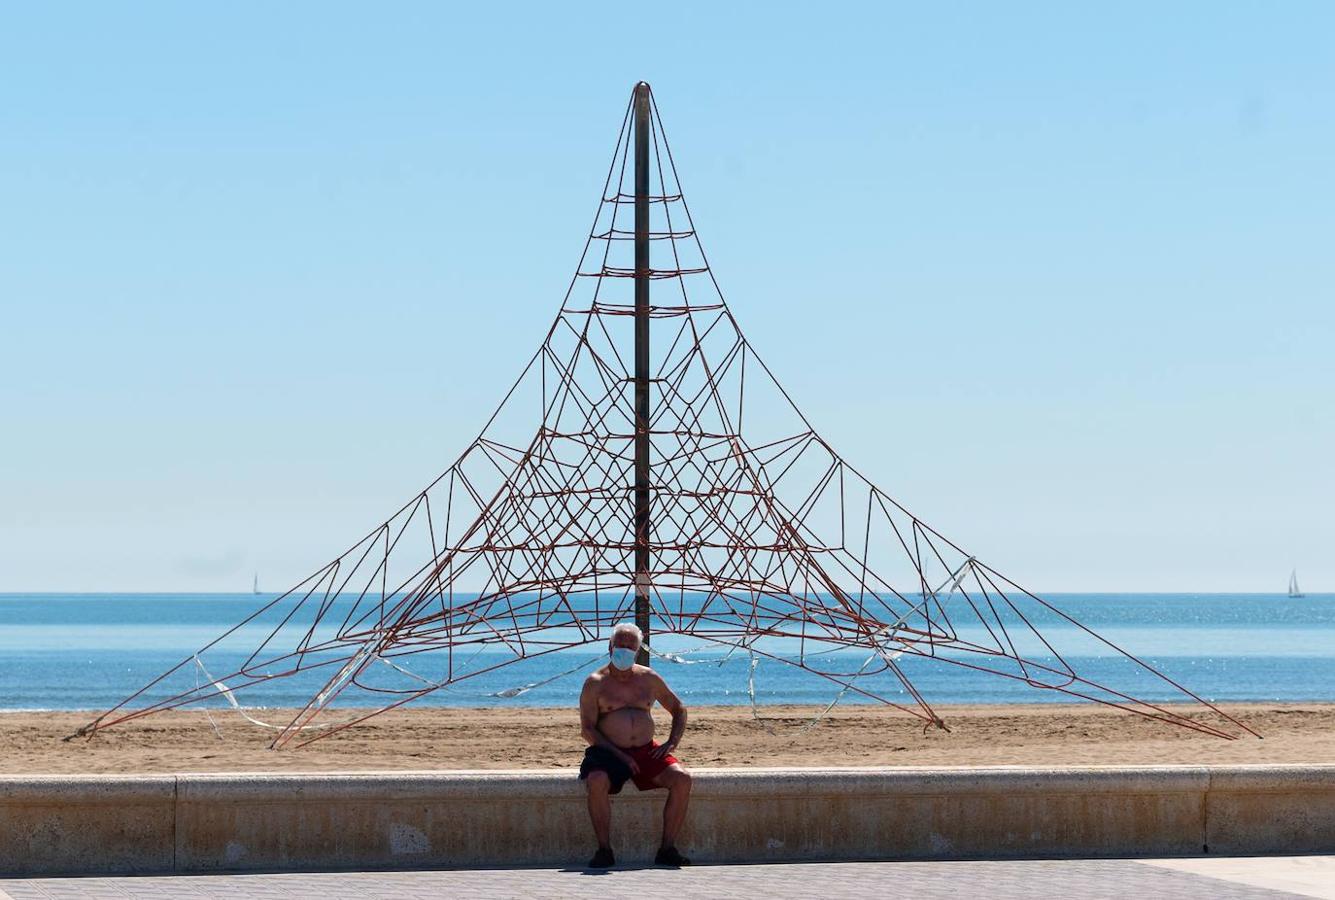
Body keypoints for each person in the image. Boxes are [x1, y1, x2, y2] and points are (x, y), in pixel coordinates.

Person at [578, 622, 692, 868]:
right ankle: (604, 850)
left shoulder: (648, 678)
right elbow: (587, 729)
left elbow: (678, 708)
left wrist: (673, 741)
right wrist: (619, 754)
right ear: (610, 646)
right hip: (607, 752)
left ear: (638, 650)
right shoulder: (595, 682)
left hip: (646, 750)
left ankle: (667, 848)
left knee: (682, 779)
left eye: (631, 647)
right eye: (620, 645)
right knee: (596, 781)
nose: (625, 651)